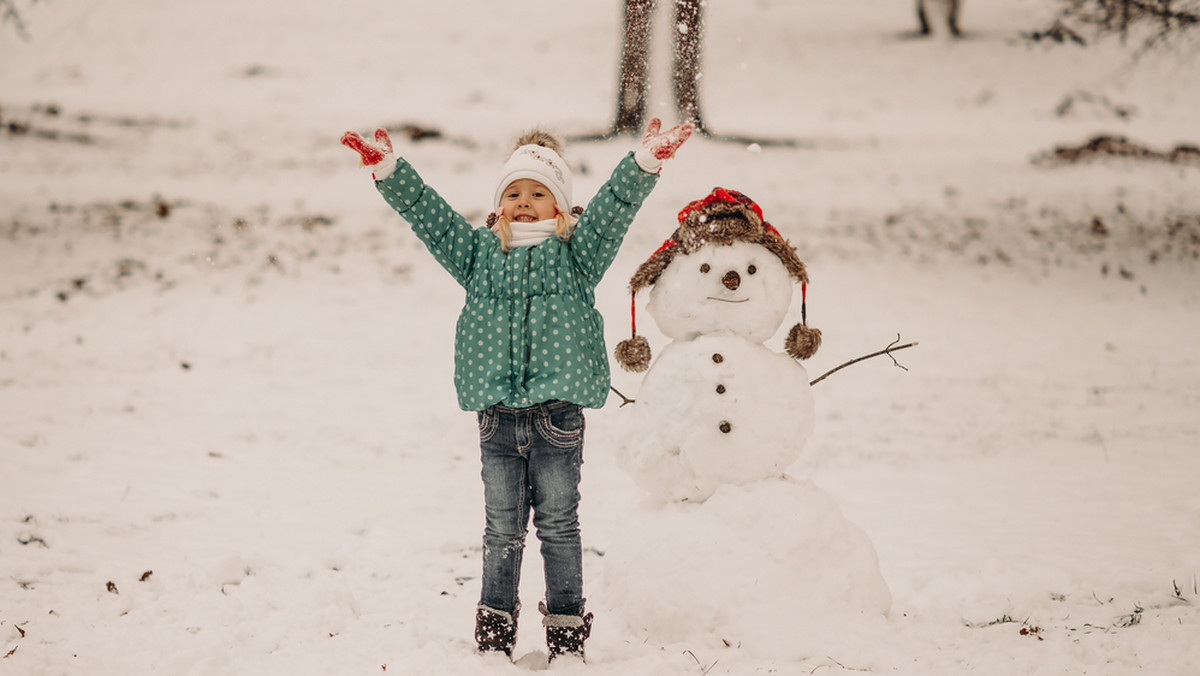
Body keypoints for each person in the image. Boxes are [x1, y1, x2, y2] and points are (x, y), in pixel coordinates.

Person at [341, 119, 693, 661]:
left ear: (560, 206)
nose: (524, 202)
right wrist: (389, 170)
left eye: (538, 193)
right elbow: (430, 219)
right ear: (499, 203)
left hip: (558, 418)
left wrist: (644, 162)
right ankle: (494, 637)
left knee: (559, 528)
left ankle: (567, 639)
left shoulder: (577, 257)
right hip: (498, 419)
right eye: (514, 192)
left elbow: (614, 210)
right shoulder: (478, 255)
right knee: (500, 530)